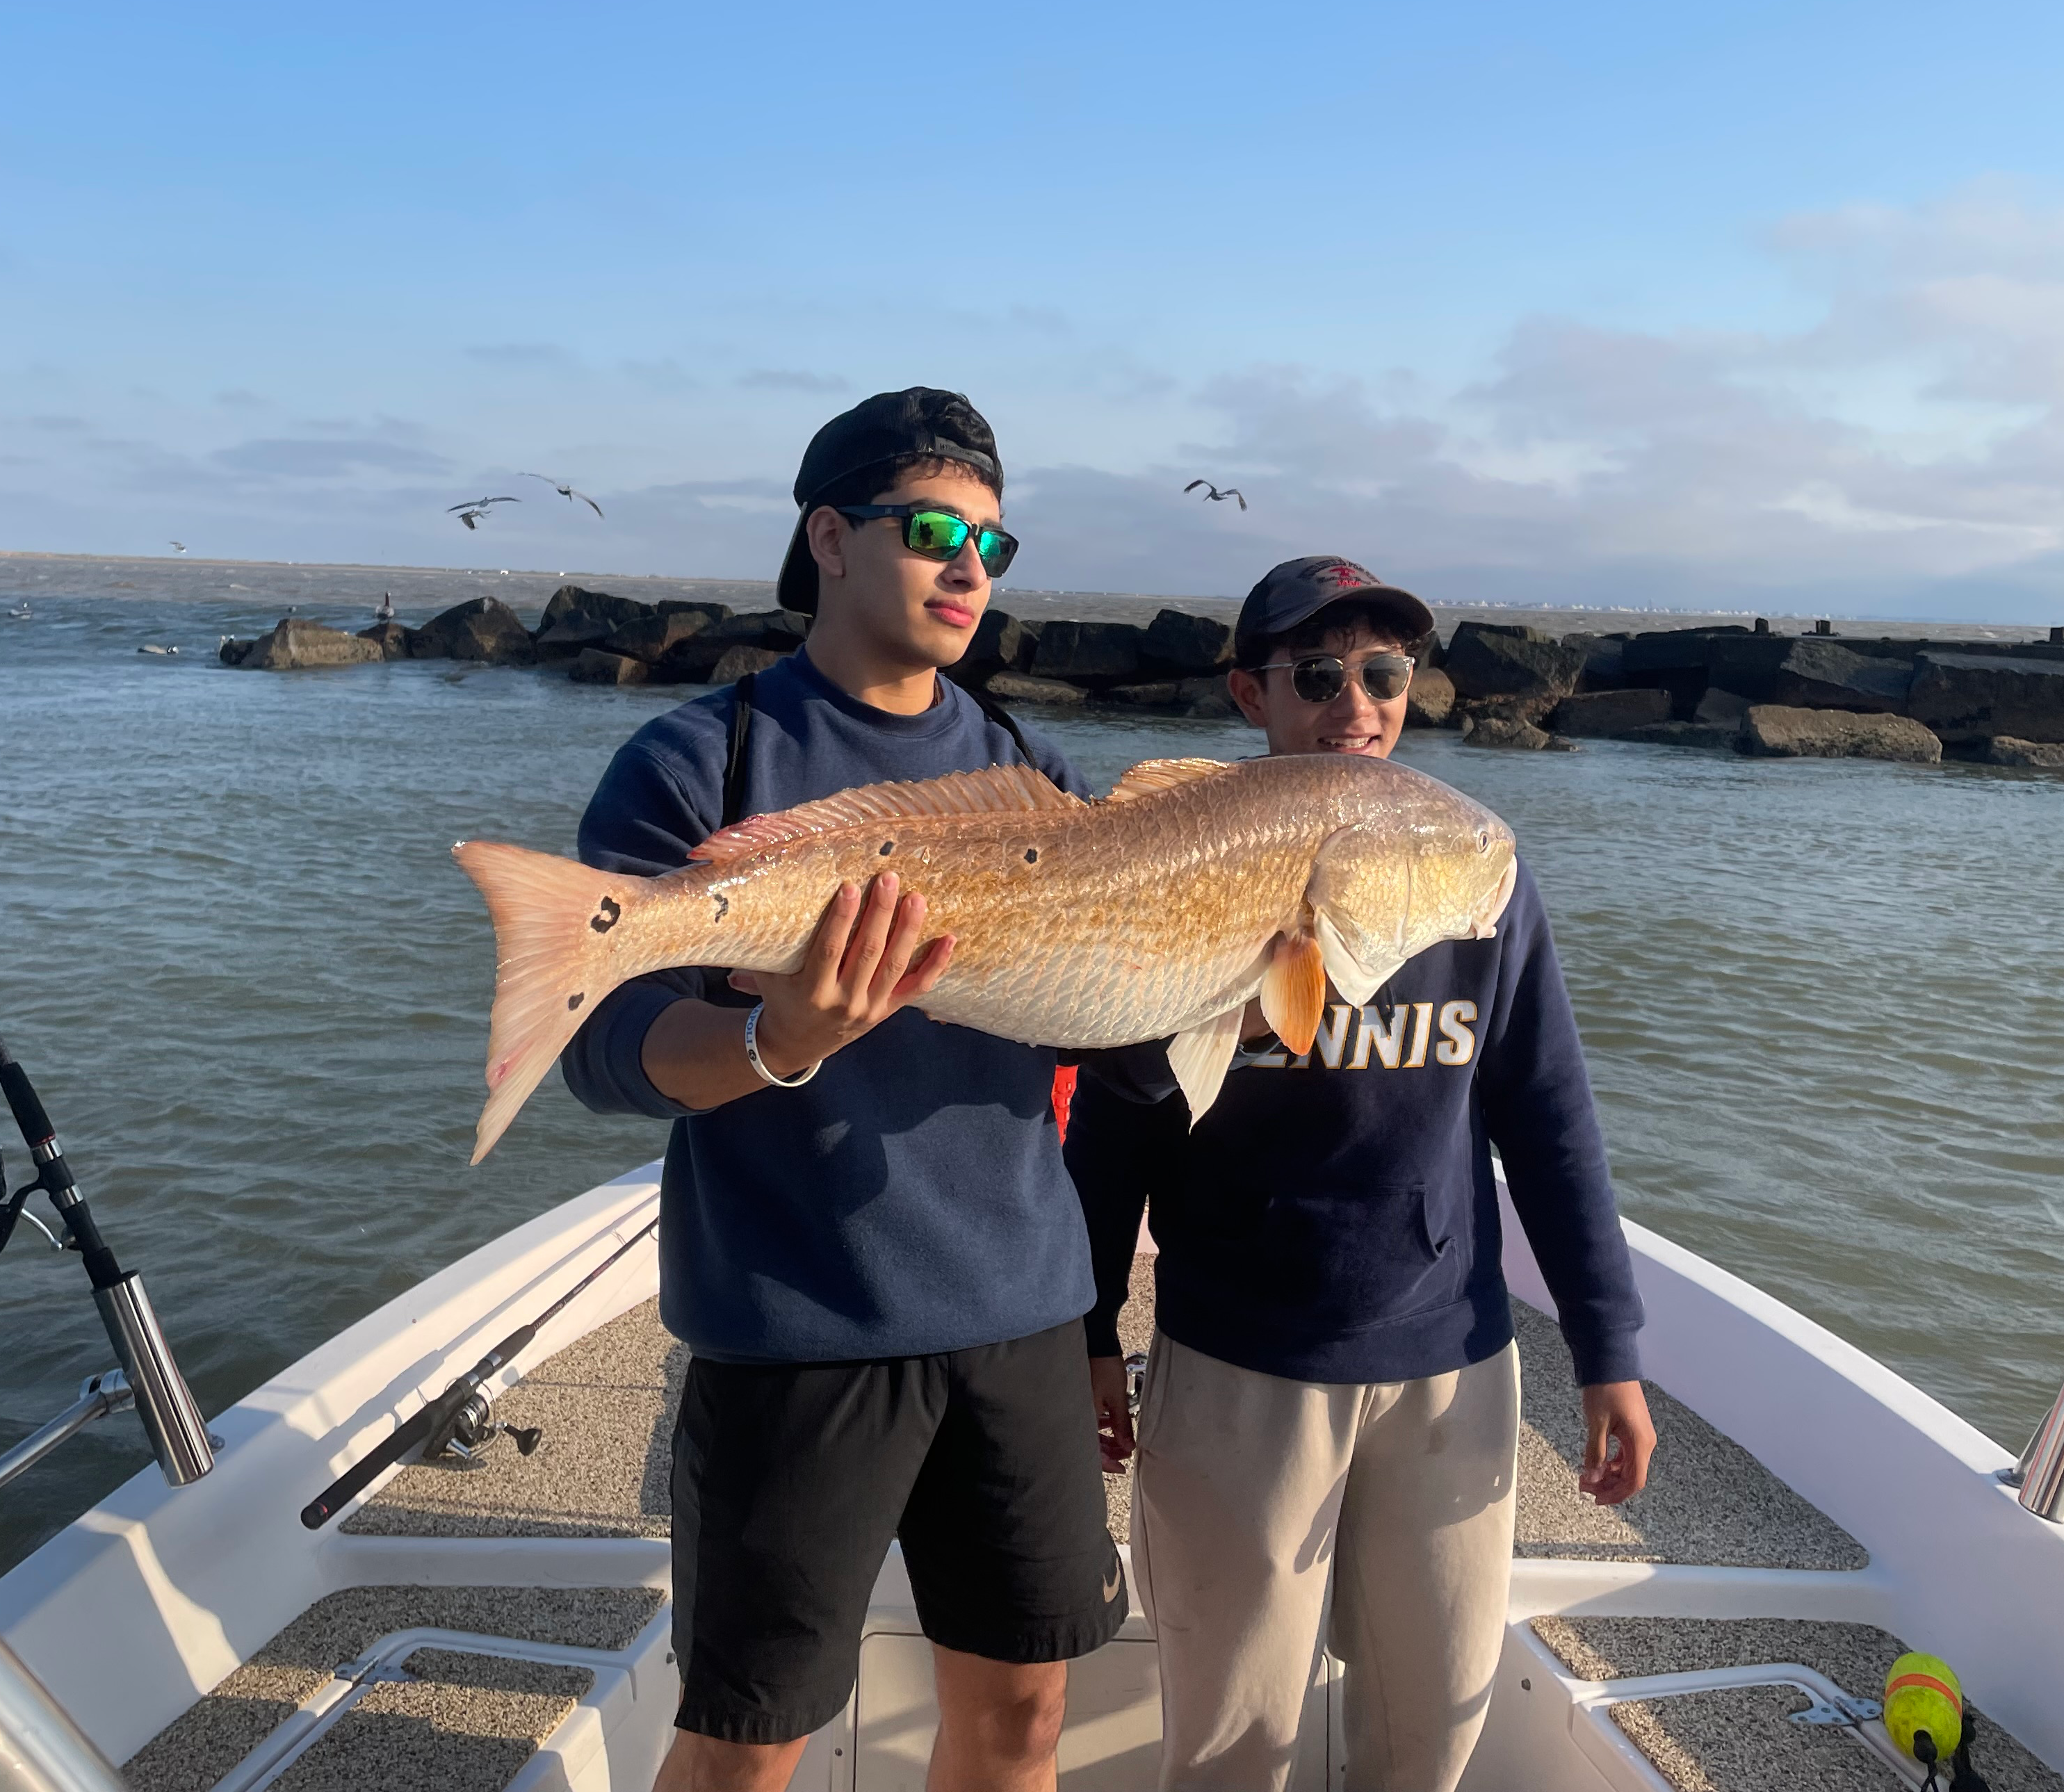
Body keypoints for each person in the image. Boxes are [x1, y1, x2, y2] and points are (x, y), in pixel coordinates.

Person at [563, 389, 1125, 1792]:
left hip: (1022, 1313)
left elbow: (1103, 1019)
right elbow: (601, 1045)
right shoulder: (703, 760)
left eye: (993, 544)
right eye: (933, 531)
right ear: (828, 536)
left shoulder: (1031, 770)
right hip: (798, 1326)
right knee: (745, 1746)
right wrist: (779, 1038)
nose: (969, 569)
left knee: (1024, 1722)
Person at [1065, 555, 1656, 1792]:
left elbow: (1548, 1117)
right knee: (1230, 1747)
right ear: (1251, 693)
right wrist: (1090, 1334)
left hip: (1453, 1362)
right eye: (1319, 676)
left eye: (1385, 675)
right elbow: (1117, 1127)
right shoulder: (1182, 862)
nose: (1358, 704)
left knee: (1428, 1733)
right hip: (1238, 1361)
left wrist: (1608, 1347)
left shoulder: (1476, 870)